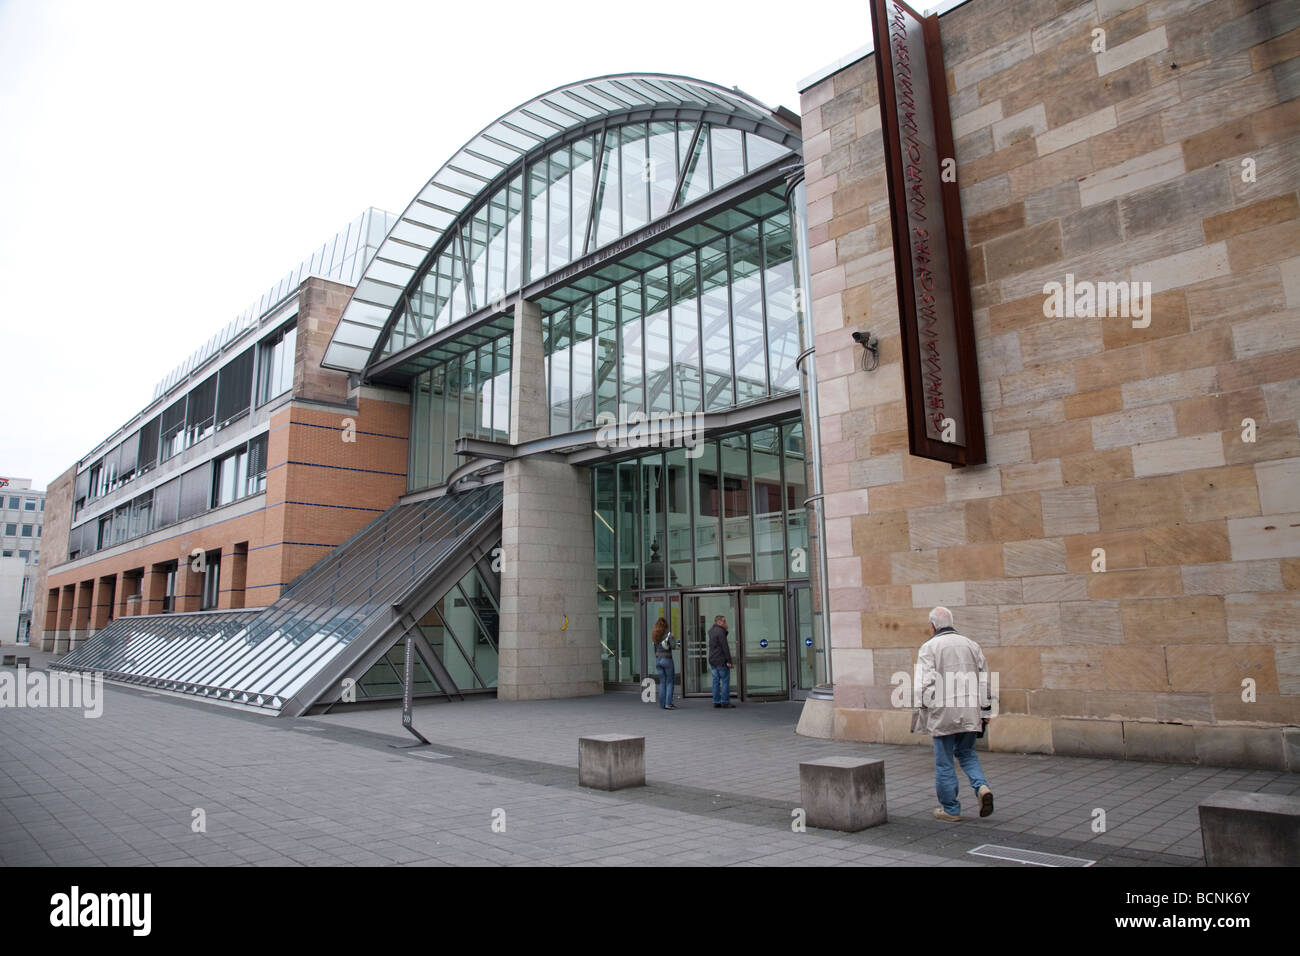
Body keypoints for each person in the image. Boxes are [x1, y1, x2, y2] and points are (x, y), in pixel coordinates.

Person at [913, 606, 994, 822]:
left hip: (943, 711)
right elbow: (985, 678)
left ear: (932, 626)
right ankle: (981, 786)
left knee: (944, 762)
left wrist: (925, 709)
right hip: (970, 710)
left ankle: (950, 808)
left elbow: (923, 685)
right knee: (967, 753)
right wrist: (987, 710)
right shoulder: (971, 645)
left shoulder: (929, 647)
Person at [707, 614, 733, 708]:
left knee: (715, 681)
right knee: (725, 680)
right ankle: (725, 701)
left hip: (712, 659)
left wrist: (725, 631)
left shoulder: (711, 631)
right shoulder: (720, 631)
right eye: (724, 621)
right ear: (719, 622)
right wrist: (729, 661)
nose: (725, 623)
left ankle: (716, 701)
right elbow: (724, 646)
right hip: (721, 660)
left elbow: (717, 641)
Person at [652, 617, 677, 710]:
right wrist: (676, 640)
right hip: (667, 659)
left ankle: (662, 704)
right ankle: (668, 703)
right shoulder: (669, 635)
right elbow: (673, 646)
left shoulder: (655, 635)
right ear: (666, 625)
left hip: (658, 660)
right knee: (670, 682)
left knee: (662, 682)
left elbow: (654, 649)